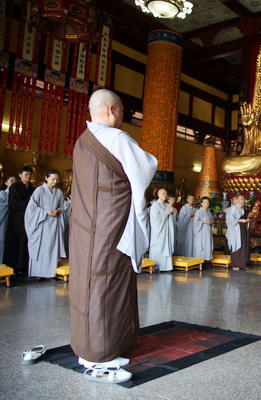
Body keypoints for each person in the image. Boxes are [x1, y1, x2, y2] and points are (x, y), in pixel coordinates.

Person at [69, 89, 157, 384]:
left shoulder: (82, 142)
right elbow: (145, 168)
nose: (121, 118)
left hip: (85, 226)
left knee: (88, 284)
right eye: (120, 112)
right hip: (110, 226)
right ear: (111, 110)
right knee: (107, 284)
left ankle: (88, 349)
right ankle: (100, 354)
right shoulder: (116, 138)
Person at [25, 170, 69, 279]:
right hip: (42, 224)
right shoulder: (39, 191)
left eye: (57, 179)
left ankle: (50, 273)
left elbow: (64, 206)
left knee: (51, 248)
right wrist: (45, 212)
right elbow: (32, 208)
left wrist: (58, 211)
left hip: (54, 224)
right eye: (53, 179)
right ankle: (38, 273)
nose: (55, 181)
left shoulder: (58, 192)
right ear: (46, 178)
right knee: (41, 248)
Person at [3, 166, 35, 277]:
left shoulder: (32, 188)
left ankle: (25, 266)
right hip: (17, 218)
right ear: (20, 175)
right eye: (26, 174)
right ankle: (15, 267)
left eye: (30, 174)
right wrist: (28, 201)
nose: (28, 176)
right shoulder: (14, 187)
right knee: (17, 242)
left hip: (29, 219)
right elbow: (14, 204)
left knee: (26, 242)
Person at [149, 189, 175, 272]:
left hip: (166, 231)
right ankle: (157, 267)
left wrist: (170, 214)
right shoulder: (155, 205)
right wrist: (166, 213)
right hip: (159, 231)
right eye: (163, 193)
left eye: (166, 193)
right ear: (158, 195)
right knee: (158, 247)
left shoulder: (167, 205)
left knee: (167, 246)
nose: (164, 195)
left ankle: (166, 267)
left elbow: (171, 218)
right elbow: (155, 220)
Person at [226, 195, 250, 270]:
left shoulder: (242, 209)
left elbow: (244, 218)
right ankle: (235, 264)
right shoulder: (233, 209)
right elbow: (230, 220)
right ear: (237, 200)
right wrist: (240, 220)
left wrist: (247, 220)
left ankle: (242, 264)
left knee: (243, 245)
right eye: (241, 199)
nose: (243, 201)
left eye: (243, 199)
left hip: (242, 229)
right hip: (236, 229)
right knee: (236, 245)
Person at [0, 175, 17, 264]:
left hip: (13, 222)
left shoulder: (17, 195)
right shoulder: (2, 194)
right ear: (6, 183)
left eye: (15, 182)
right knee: (2, 241)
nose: (13, 184)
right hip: (4, 220)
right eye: (11, 181)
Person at [193, 196, 213, 261]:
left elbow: (211, 219)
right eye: (205, 202)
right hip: (201, 231)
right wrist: (204, 222)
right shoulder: (199, 211)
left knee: (207, 245)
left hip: (207, 231)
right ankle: (200, 260)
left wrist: (211, 222)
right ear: (201, 203)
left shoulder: (208, 212)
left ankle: (207, 260)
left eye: (207, 202)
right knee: (202, 245)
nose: (206, 204)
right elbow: (196, 222)